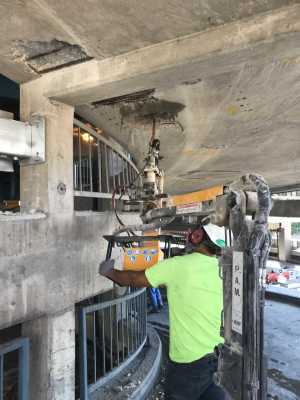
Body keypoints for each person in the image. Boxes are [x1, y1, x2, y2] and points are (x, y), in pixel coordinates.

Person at [99, 223, 228, 400]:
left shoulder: (178, 266)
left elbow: (133, 278)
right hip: (218, 359)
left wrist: (110, 272)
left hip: (187, 365)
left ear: (198, 237)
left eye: (194, 233)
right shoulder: (222, 271)